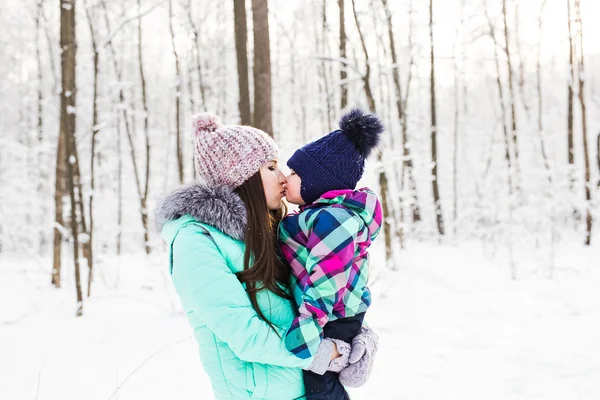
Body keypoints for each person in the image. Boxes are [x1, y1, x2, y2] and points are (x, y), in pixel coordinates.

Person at [155, 113, 377, 400]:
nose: (283, 177)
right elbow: (246, 336)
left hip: (314, 390)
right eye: (271, 167)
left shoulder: (275, 229)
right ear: (243, 177)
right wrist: (329, 353)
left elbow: (324, 285)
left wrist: (361, 336)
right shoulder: (196, 242)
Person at [279, 108, 383, 400]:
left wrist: (308, 327)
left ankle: (352, 354)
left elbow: (328, 278)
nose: (286, 178)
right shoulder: (318, 216)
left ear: (318, 182)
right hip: (335, 312)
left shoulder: (333, 220)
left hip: (333, 314)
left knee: (319, 383)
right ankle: (354, 352)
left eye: (295, 173)